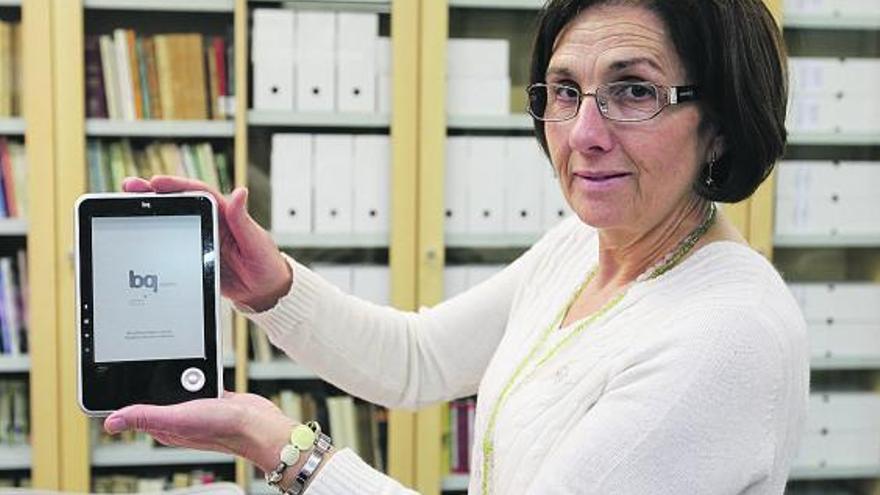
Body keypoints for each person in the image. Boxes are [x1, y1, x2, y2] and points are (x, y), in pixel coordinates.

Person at [108, 0, 809, 493]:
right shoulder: (585, 245)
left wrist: (281, 447)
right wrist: (271, 288)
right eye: (565, 91)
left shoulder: (727, 331)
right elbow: (419, 359)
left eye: (633, 91)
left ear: (718, 121)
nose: (583, 133)